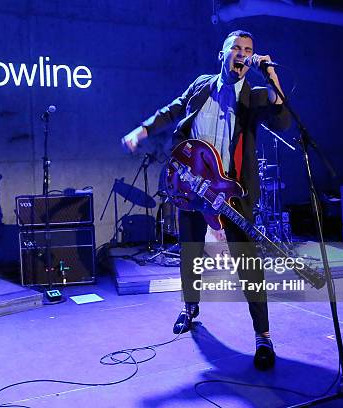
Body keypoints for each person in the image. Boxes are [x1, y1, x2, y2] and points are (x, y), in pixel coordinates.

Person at [121, 30, 290, 370]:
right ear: (222, 53)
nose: (242, 54)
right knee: (191, 253)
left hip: (232, 192)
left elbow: (283, 118)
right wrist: (143, 130)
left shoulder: (255, 96)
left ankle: (263, 336)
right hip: (192, 188)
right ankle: (189, 307)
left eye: (248, 50)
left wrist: (270, 74)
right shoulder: (202, 85)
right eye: (236, 48)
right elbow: (173, 110)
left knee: (248, 264)